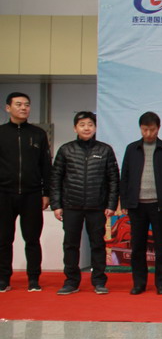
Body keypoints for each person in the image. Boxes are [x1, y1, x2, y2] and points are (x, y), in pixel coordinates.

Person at [50, 111, 119, 295]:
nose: (86, 128)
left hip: (97, 206)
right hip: (71, 205)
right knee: (70, 245)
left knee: (98, 244)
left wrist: (111, 205)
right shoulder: (66, 150)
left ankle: (99, 281)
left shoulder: (105, 150)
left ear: (95, 127)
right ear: (75, 128)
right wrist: (56, 205)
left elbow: (113, 179)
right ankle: (71, 282)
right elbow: (55, 179)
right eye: (82, 125)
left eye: (90, 124)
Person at [120, 112, 162, 295]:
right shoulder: (132, 149)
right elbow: (125, 177)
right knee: (137, 246)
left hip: (159, 205)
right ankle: (139, 283)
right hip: (136, 205)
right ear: (140, 128)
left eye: (152, 130)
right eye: (145, 129)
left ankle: (161, 284)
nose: (148, 133)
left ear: (158, 128)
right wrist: (124, 201)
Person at [0, 92, 52, 293]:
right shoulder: (2, 132)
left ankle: (33, 279)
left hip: (32, 194)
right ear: (8, 108)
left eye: (27, 105)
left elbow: (45, 165)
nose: (23, 108)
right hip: (4, 193)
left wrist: (46, 192)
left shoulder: (38, 134)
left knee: (32, 239)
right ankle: (4, 279)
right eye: (19, 104)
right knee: (4, 240)